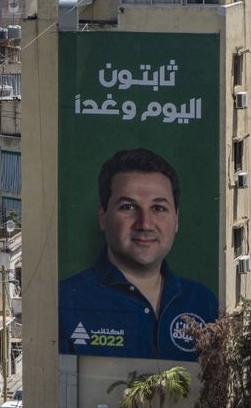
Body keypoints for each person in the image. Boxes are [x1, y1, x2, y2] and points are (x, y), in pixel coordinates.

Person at [58, 148, 217, 361]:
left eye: (158, 208)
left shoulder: (203, 301)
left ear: (176, 219)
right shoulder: (64, 302)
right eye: (129, 207)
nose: (145, 224)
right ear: (102, 216)